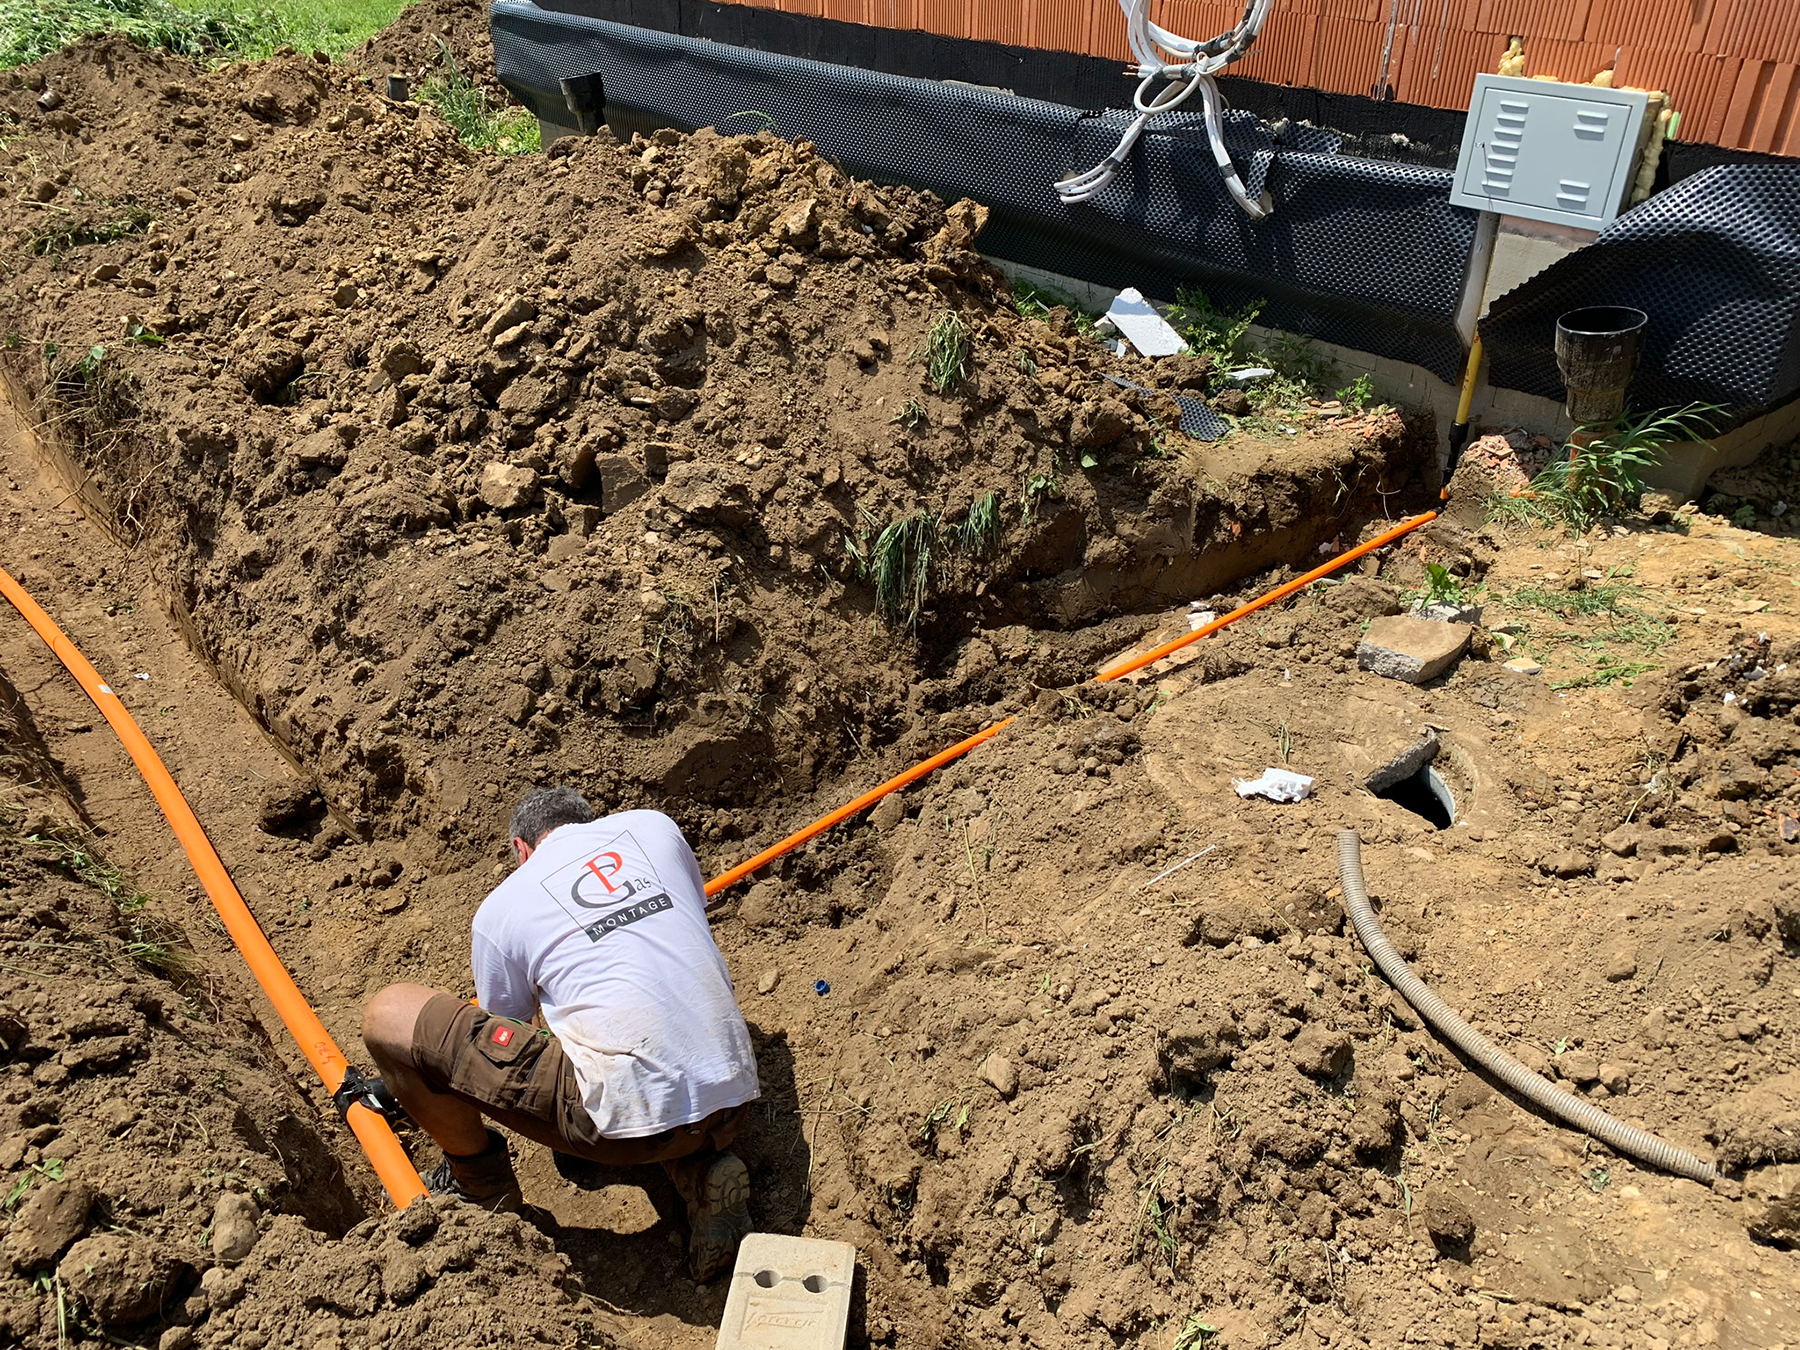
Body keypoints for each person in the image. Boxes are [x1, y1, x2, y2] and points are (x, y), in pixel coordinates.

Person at [362, 786, 761, 1281]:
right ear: (588, 822)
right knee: (642, 1051)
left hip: (616, 1132)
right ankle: (696, 1171)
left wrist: (426, 1069)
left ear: (521, 848)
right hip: (734, 1101)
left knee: (389, 1014)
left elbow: (508, 1034)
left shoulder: (503, 907)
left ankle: (481, 1186)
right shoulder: (655, 827)